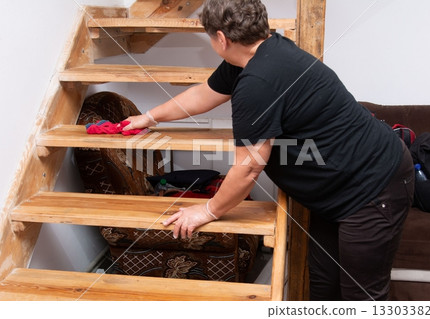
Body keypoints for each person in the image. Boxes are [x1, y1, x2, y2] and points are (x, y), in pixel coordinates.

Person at [123, 0, 414, 301]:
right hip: (336, 192)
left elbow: (249, 167)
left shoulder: (258, 81)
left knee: (362, 298)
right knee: (325, 286)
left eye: (211, 37)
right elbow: (205, 93)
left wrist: (207, 210)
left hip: (373, 189)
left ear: (221, 39)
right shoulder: (260, 53)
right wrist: (151, 116)